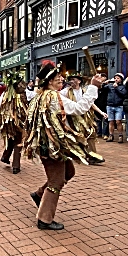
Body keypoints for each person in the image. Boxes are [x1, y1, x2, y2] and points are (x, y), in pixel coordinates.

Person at [24, 61, 104, 230]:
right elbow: (79, 108)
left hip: (51, 144)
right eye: (57, 77)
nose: (61, 78)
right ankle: (44, 219)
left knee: (69, 171)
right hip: (52, 145)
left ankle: (39, 195)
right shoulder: (54, 97)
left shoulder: (43, 96)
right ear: (49, 82)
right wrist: (93, 87)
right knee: (56, 181)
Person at [0, 69, 27, 174]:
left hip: (12, 122)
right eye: (20, 83)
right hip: (16, 122)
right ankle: (16, 165)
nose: (22, 85)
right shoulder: (9, 94)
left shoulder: (11, 94)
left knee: (12, 139)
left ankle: (5, 157)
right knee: (18, 141)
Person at [104, 73, 126, 143]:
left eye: (118, 78)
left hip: (118, 106)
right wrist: (105, 83)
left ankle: (120, 136)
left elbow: (123, 94)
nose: (116, 79)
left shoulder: (122, 87)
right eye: (115, 78)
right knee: (111, 121)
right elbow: (102, 89)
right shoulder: (110, 86)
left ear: (121, 79)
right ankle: (111, 135)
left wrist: (116, 88)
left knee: (118, 121)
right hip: (110, 105)